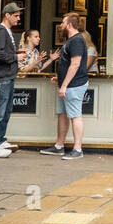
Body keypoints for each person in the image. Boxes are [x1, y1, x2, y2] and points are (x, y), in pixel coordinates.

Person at [41, 11, 87, 160]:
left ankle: (78, 149)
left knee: (75, 116)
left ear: (69, 25)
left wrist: (64, 85)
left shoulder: (77, 41)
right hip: (67, 84)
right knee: (62, 114)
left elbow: (75, 64)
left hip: (73, 85)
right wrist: (60, 79)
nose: (60, 25)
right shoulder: (71, 40)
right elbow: (69, 64)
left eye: (62, 22)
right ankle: (59, 146)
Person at [0, 2, 23, 158]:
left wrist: (15, 54)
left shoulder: (5, 31)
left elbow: (0, 52)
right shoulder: (1, 31)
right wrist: (15, 57)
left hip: (7, 75)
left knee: (5, 111)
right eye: (16, 16)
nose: (18, 19)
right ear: (7, 15)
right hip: (3, 76)